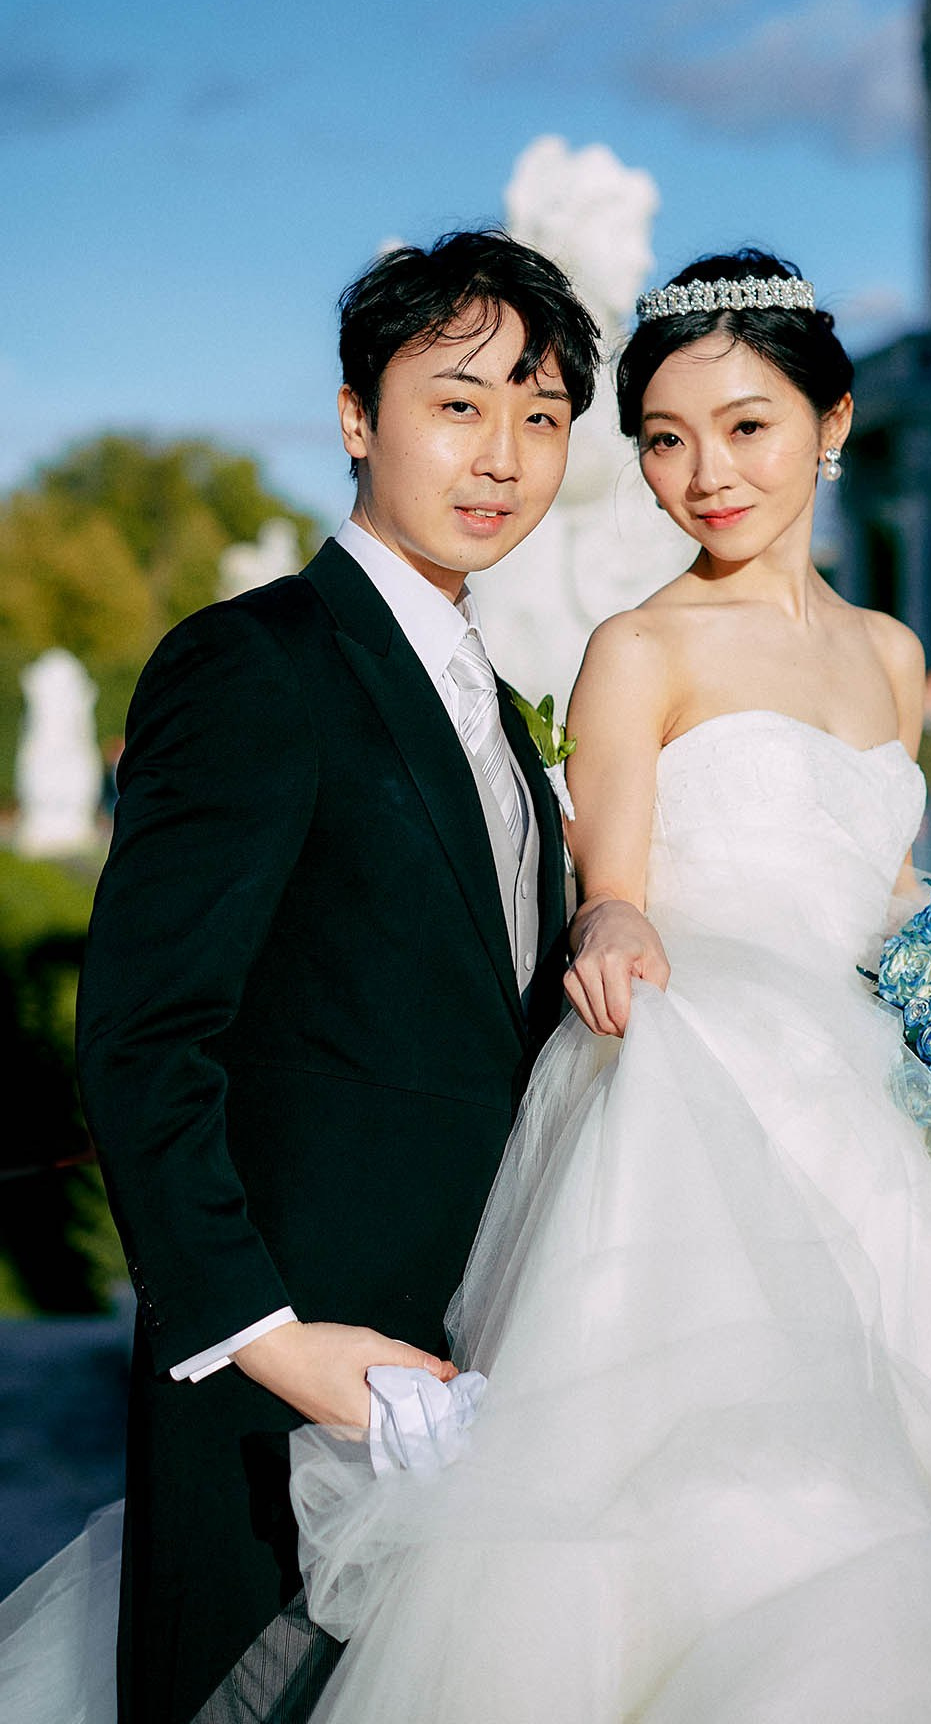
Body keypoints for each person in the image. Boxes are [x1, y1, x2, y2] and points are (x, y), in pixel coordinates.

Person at [260, 251, 931, 1722]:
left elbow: (878, 880)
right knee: (734, 1497)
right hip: (718, 1093)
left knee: (923, 1477)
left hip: (892, 1127)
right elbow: (618, 885)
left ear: (832, 424)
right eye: (664, 437)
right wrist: (609, 931)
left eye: (747, 426)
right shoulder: (639, 647)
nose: (703, 473)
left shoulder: (891, 654)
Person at [68, 229, 601, 1724]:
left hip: (473, 1371)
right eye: (459, 401)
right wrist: (271, 1340)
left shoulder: (498, 707)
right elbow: (142, 1037)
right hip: (281, 1386)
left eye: (543, 415)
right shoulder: (257, 664)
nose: (503, 454)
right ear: (358, 416)